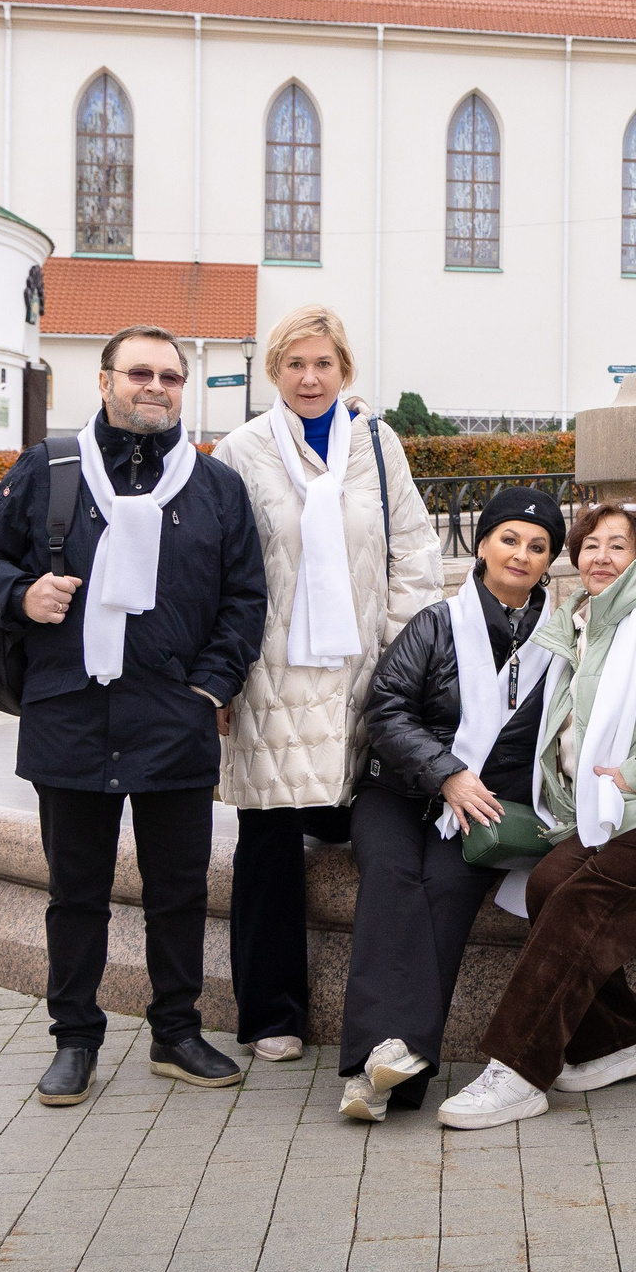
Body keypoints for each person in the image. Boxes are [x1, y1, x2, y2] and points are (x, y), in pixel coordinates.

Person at [0, 323, 268, 1108]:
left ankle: (175, 1030)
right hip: (70, 711)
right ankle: (74, 1038)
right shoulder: (50, 467)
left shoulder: (214, 487)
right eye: (140, 372)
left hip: (175, 717)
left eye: (171, 375)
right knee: (76, 892)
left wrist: (209, 687)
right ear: (104, 382)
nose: (156, 386)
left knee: (177, 889)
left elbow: (244, 600)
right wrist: (21, 595)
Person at [435, 501, 636, 1130]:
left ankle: (517, 1070)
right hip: (607, 813)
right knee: (544, 885)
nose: (599, 558)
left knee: (578, 904)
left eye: (616, 547)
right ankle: (620, 1040)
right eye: (589, 546)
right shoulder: (586, 622)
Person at [210, 307, 444, 1068]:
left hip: (363, 671)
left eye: (323, 363)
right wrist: (222, 677)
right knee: (269, 840)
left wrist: (405, 650)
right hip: (272, 672)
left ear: (345, 370)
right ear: (273, 371)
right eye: (294, 364)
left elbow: (413, 548)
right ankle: (270, 1010)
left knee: (369, 819)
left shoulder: (378, 445)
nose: (310, 378)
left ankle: (377, 1009)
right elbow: (224, 563)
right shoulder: (243, 449)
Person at [337, 487, 563, 1122]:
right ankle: (369, 1069)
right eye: (509, 539)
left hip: (480, 809)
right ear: (484, 545)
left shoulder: (561, 641)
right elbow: (386, 708)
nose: (521, 554)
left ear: (550, 561)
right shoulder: (438, 622)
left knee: (445, 890)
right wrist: (447, 774)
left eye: (538, 546)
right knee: (390, 876)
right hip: (397, 791)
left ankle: (391, 1075)